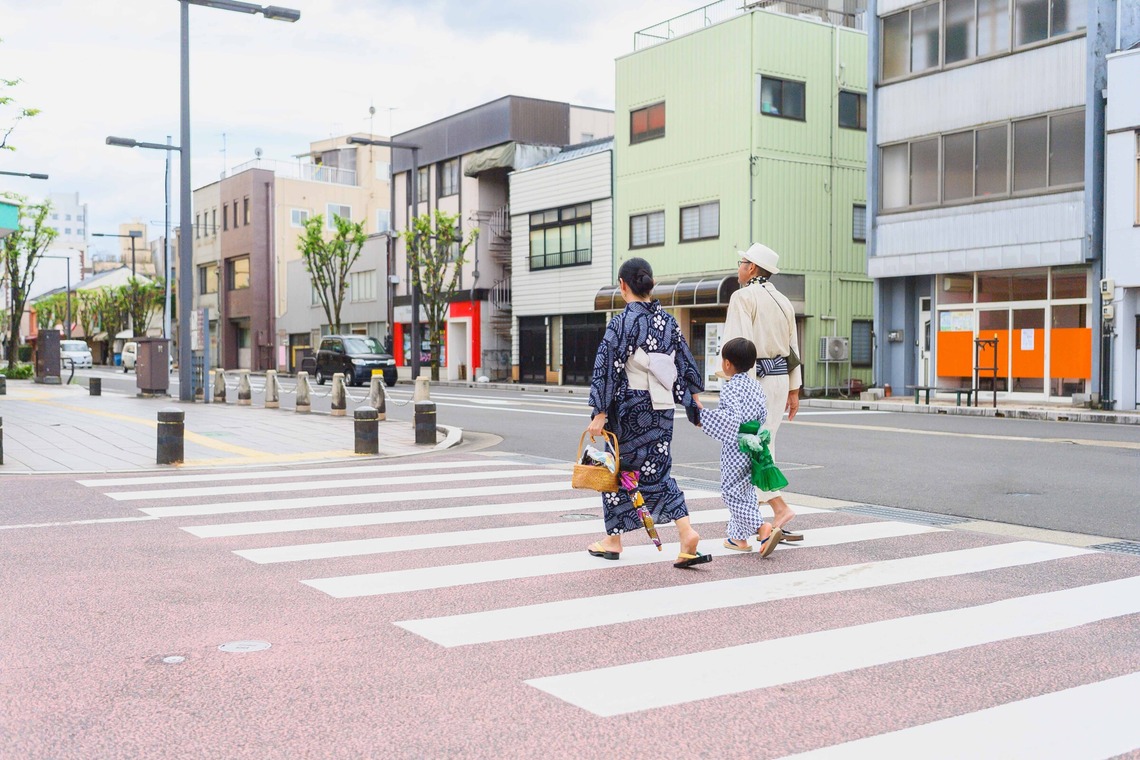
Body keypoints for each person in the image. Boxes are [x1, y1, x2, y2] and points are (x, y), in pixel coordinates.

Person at [586, 257, 709, 569]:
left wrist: (599, 412)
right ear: (649, 284)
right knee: (658, 471)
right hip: (662, 408)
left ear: (623, 286)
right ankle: (687, 532)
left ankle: (613, 540)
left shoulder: (621, 323)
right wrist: (693, 401)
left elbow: (607, 367)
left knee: (617, 472)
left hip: (629, 407)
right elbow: (684, 363)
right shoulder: (668, 323)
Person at [720, 242, 802, 546]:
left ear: (751, 267)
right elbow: (793, 348)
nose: (739, 268)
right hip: (780, 381)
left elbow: (737, 345)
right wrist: (794, 388)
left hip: (756, 379)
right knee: (764, 446)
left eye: (741, 262)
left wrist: (740, 386)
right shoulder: (783, 301)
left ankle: (779, 510)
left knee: (749, 450)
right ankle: (741, 532)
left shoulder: (742, 297)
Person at [694, 337, 784, 557]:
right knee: (745, 489)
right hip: (754, 444)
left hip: (737, 445)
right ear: (752, 363)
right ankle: (738, 538)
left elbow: (730, 419)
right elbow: (763, 415)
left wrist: (702, 417)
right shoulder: (756, 386)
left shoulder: (731, 387)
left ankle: (761, 528)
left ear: (726, 363)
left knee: (731, 492)